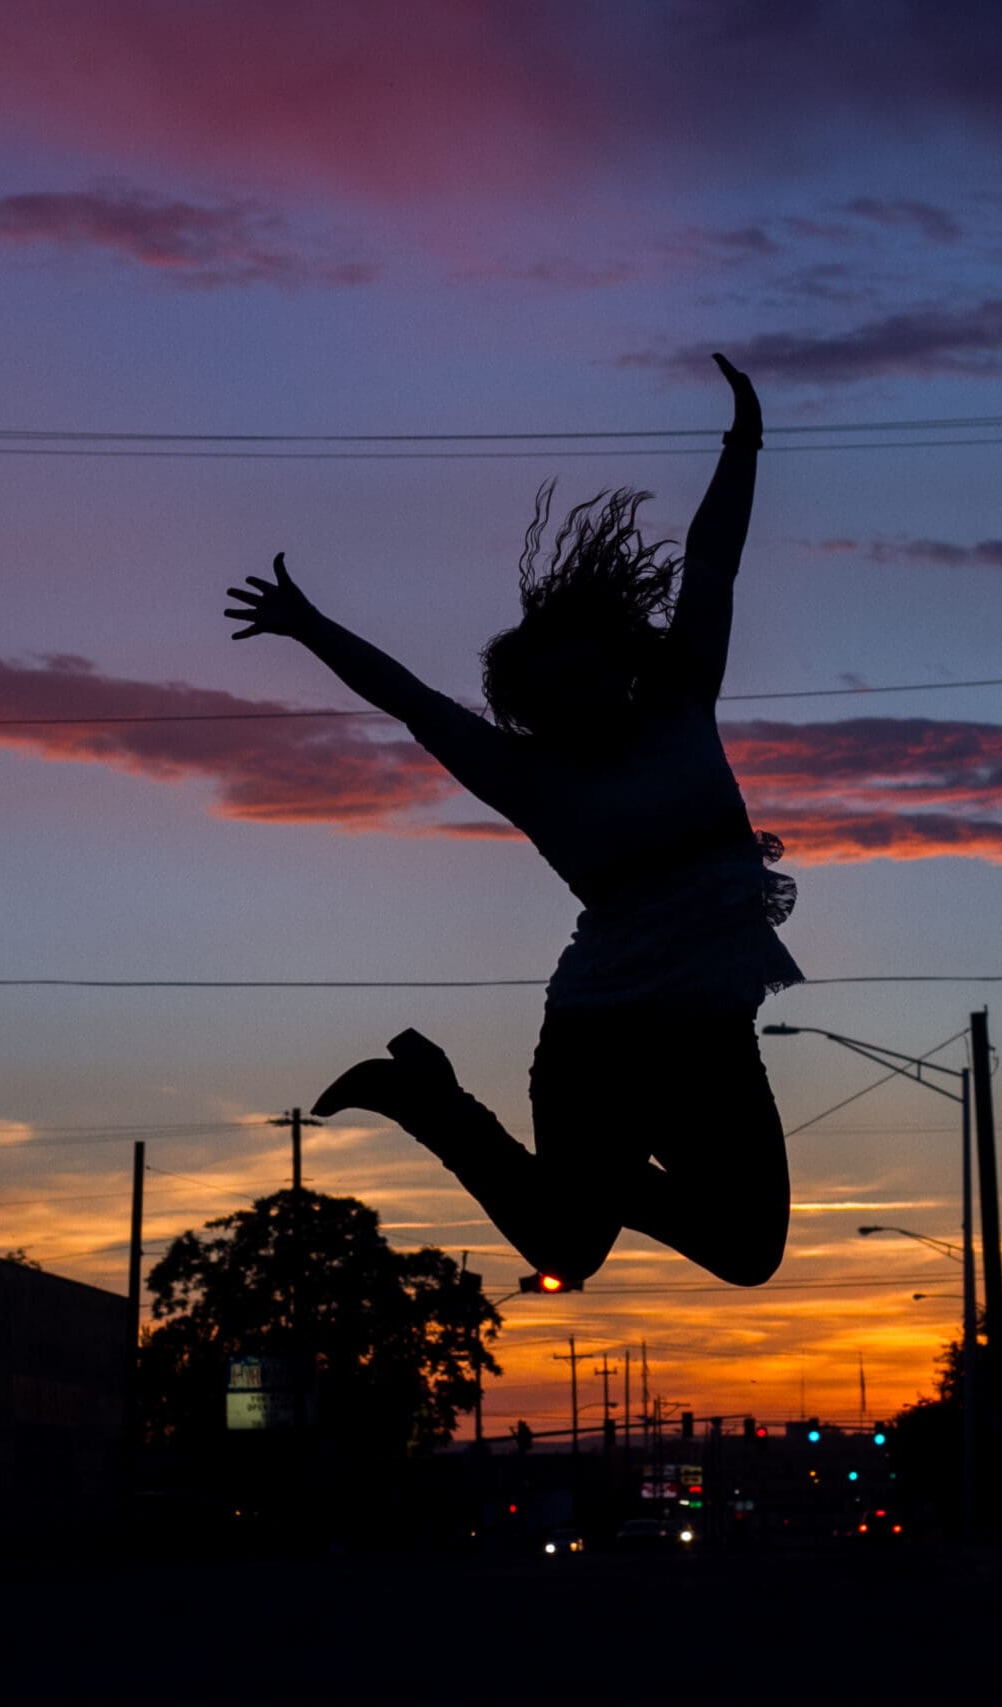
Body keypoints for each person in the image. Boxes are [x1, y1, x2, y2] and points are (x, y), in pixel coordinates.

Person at [224, 354, 797, 1287]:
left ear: (621, 663)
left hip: (709, 1033)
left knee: (747, 1250)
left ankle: (570, 1169)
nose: (584, 695)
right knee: (565, 1249)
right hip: (600, 1037)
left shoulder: (681, 700)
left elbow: (712, 562)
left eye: (592, 672)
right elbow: (410, 700)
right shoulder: (529, 778)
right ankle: (429, 1104)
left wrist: (743, 441)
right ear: (537, 709)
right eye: (556, 690)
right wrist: (308, 624)